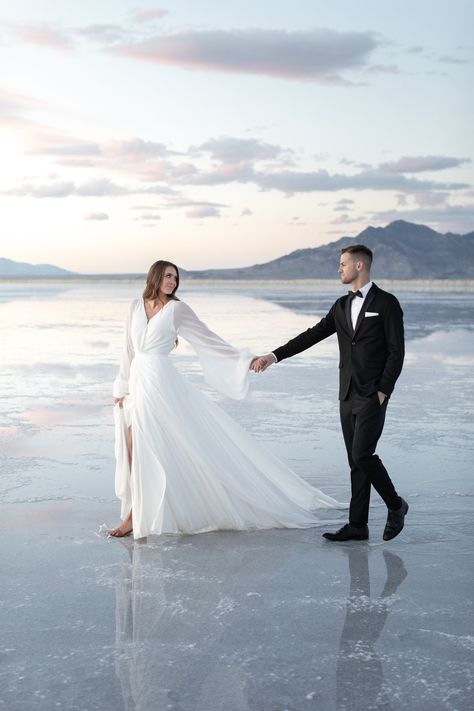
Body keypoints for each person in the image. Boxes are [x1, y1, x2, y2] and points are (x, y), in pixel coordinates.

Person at [107, 260, 342, 539]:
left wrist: (244, 359)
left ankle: (137, 516)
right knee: (134, 450)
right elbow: (127, 350)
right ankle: (139, 510)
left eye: (175, 278)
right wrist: (121, 389)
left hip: (160, 384)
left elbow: (209, 339)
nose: (172, 282)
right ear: (155, 277)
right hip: (136, 383)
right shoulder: (135, 306)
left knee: (153, 448)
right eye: (167, 276)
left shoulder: (177, 310)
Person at [251, 245, 408, 542]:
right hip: (346, 393)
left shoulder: (386, 303)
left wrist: (384, 391)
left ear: (360, 265)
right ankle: (358, 525)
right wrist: (273, 356)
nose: (339, 269)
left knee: (363, 454)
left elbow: (396, 352)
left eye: (343, 264)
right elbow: (311, 335)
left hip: (373, 394)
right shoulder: (340, 305)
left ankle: (396, 505)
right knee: (354, 460)